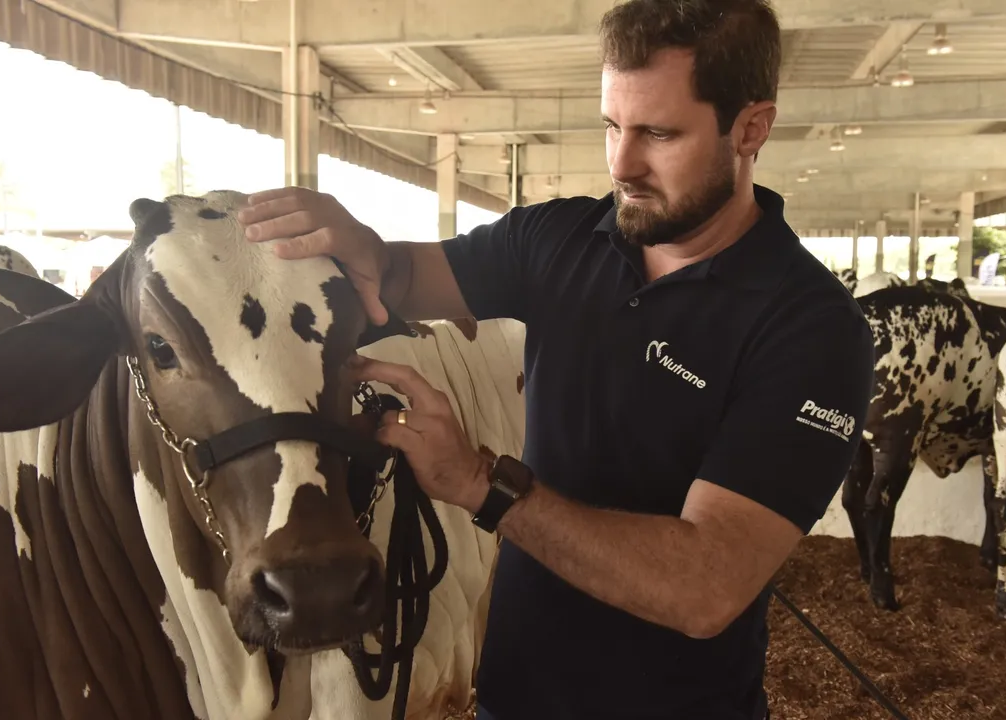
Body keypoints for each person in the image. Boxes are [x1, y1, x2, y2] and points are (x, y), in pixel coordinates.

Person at [236, 0, 876, 717]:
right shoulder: (560, 240)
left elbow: (705, 586)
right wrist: (355, 242)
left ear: (751, 127)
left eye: (659, 133)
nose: (622, 163)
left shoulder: (810, 328)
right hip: (515, 698)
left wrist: (480, 483)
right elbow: (400, 277)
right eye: (612, 126)